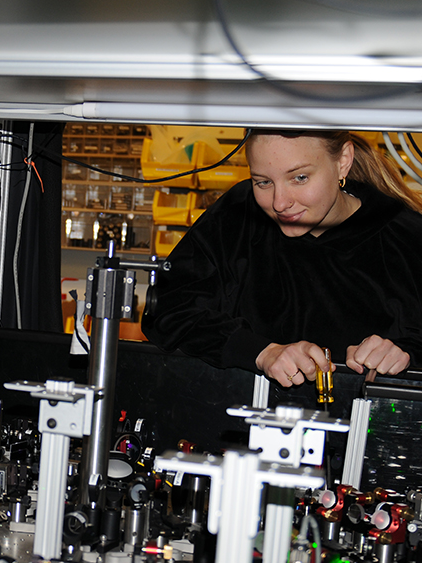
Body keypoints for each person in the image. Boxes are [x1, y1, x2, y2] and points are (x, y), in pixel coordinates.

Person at [142, 129, 422, 388]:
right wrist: (261, 352)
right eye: (263, 182)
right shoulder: (239, 216)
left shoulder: (405, 236)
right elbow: (166, 308)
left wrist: (404, 353)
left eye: (299, 178)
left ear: (343, 161)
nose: (279, 203)